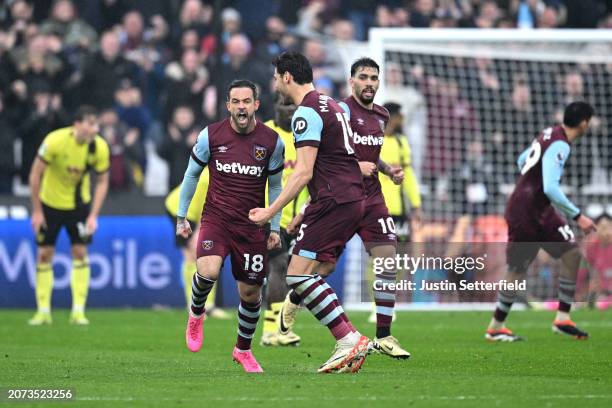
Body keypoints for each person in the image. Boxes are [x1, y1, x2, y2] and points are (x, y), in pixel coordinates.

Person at [275, 58, 411, 359]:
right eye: (363, 77)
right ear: (351, 81)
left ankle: (384, 336)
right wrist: (304, 210)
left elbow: (368, 155)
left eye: (374, 78)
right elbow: (330, 157)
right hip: (340, 195)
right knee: (324, 267)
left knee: (387, 259)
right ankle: (296, 294)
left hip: (371, 198)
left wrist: (387, 169)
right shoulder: (339, 110)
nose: (369, 83)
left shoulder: (381, 115)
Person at [249, 51, 371, 373]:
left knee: (297, 274)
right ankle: (347, 342)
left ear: (287, 77)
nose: (275, 82)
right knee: (317, 270)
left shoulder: (305, 113)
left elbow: (302, 172)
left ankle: (348, 339)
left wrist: (270, 211)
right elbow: (340, 159)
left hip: (332, 200)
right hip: (350, 197)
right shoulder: (332, 105)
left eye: (276, 76)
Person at [177, 79, 284, 373]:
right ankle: (196, 314)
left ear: (256, 105)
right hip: (217, 220)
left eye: (246, 101)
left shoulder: (272, 142)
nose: (241, 107)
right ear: (228, 106)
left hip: (252, 227)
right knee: (208, 271)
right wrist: (182, 216)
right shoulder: (210, 136)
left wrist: (274, 227)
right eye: (236, 102)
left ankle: (243, 351)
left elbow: (275, 188)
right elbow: (190, 176)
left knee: (251, 294)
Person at [486, 101, 597, 341]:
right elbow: (550, 187)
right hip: (525, 212)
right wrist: (579, 216)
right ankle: (496, 326)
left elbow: (522, 159)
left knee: (571, 253)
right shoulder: (560, 144)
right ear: (585, 123)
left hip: (539, 210)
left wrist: (528, 184)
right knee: (518, 269)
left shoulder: (550, 132)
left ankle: (563, 319)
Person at [28, 106, 110, 325]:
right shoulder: (54, 141)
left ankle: (78, 311)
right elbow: (35, 174)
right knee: (45, 253)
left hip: (78, 206)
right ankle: (43, 311)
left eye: (97, 124)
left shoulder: (99, 147)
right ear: (77, 124)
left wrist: (93, 214)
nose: (95, 129)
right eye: (91, 123)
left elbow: (102, 181)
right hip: (50, 204)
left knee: (80, 252)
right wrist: (36, 211)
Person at [259, 93, 308, 347]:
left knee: (290, 272)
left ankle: (274, 330)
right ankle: (273, 330)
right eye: (284, 105)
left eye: (292, 106)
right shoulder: (264, 133)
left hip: (296, 218)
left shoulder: (304, 137)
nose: (288, 111)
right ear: (275, 106)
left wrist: (303, 212)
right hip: (268, 216)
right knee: (277, 267)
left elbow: (309, 178)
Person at [164, 168, 228, 319]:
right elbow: (197, 205)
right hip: (180, 210)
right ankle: (193, 305)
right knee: (192, 255)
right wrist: (197, 230)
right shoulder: (207, 179)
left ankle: (209, 306)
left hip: (197, 212)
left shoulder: (222, 176)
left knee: (210, 257)